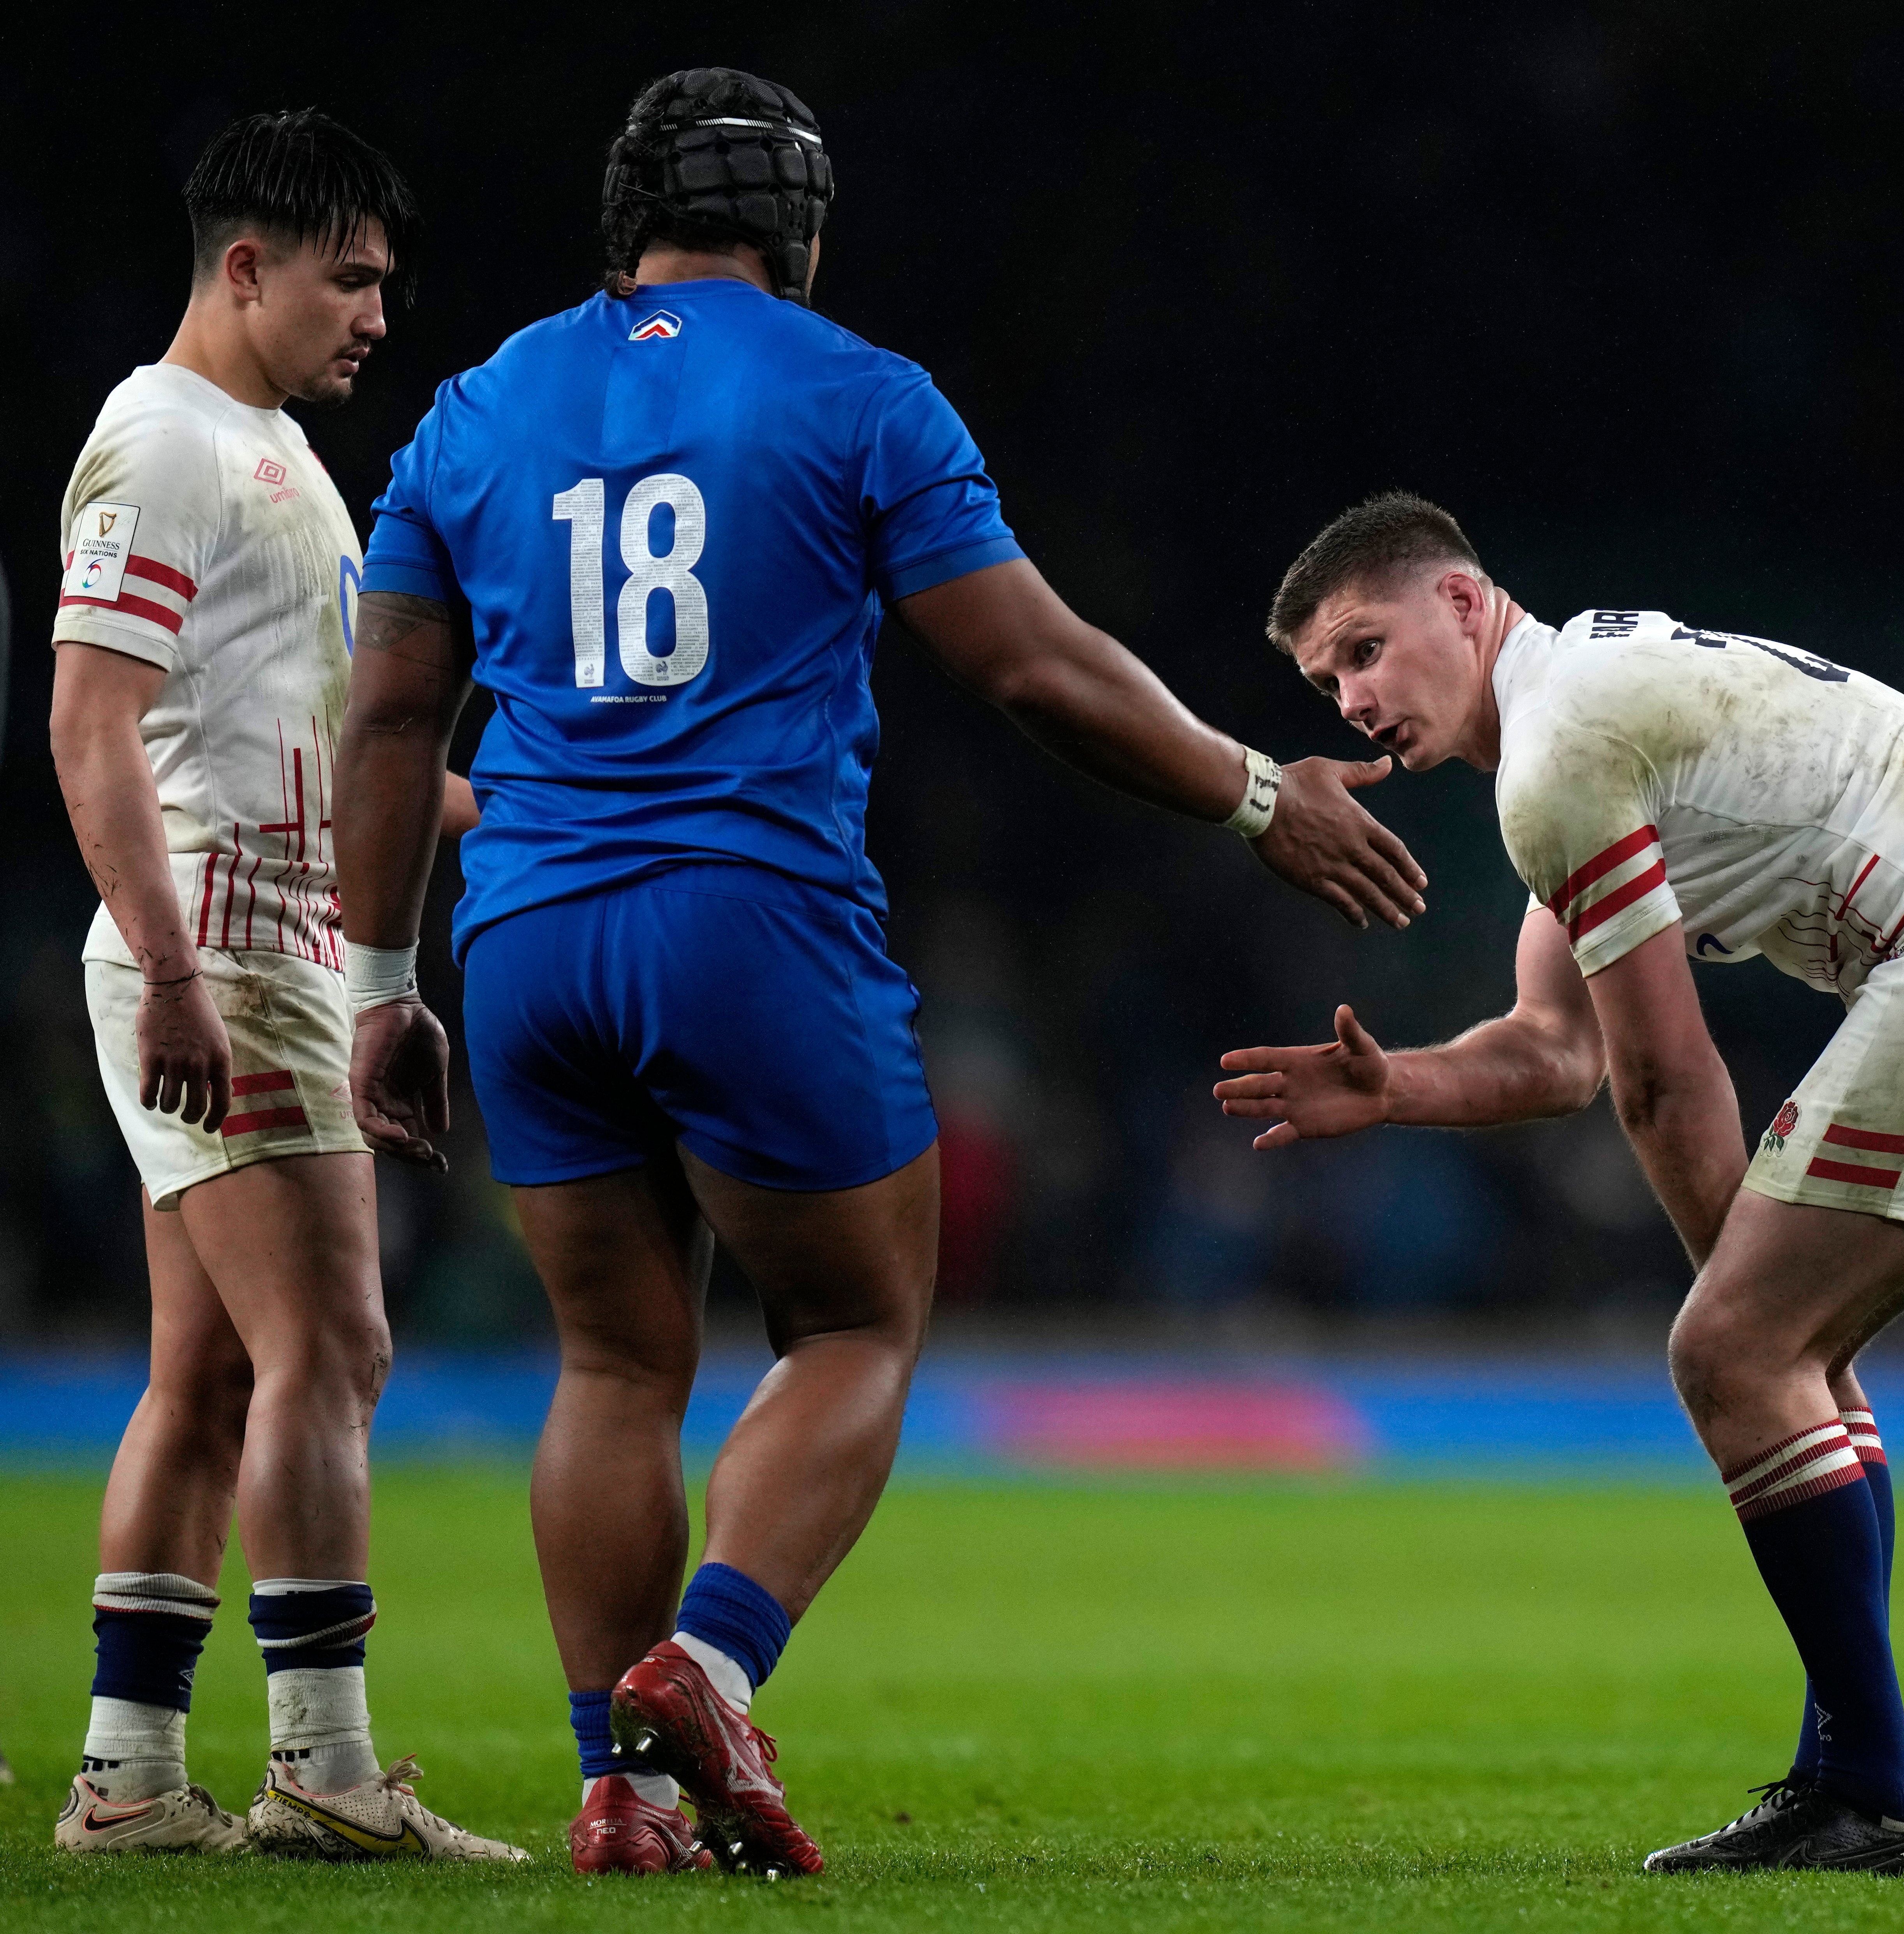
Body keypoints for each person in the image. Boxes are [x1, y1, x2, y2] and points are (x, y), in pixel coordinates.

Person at [332, 67, 1428, 1879]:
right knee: (853, 1321)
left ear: (627, 228)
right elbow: (1028, 666)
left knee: (612, 1360)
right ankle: (701, 1668)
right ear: (801, 229)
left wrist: (381, 982)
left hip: (521, 928)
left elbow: (385, 714)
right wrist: (1253, 793)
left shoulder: (471, 408)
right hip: (745, 913)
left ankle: (618, 1791)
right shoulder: (858, 395)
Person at [1218, 492, 1904, 1875]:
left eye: (1367, 649)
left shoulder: (1560, 754)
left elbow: (1665, 1078)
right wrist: (1395, 1086)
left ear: (1466, 604)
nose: (1354, 698)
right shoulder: (1581, 720)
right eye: (1326, 681)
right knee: (1783, 1356)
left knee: (1738, 1349)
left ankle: (1876, 1799)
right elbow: (1559, 1053)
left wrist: (1740, 1314)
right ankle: (1852, 1777)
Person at [46, 110, 505, 1863]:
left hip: (264, 933)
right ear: (247, 267)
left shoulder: (269, 453)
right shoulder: (163, 443)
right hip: (227, 944)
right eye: (351, 278)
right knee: (339, 1342)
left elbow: (303, 733)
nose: (377, 313)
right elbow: (92, 720)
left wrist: (501, 798)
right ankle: (325, 1766)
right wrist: (172, 969)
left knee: (210, 1377)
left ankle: (133, 1780)